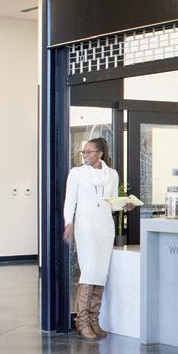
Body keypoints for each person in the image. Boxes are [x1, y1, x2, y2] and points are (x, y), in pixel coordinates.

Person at [63, 137, 123, 340]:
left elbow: (112, 203)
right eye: (84, 152)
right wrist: (68, 222)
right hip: (85, 225)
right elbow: (70, 200)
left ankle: (94, 319)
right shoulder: (77, 173)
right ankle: (82, 321)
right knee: (89, 270)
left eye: (89, 152)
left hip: (105, 226)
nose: (85, 155)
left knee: (101, 271)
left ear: (100, 153)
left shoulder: (112, 174)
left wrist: (124, 205)